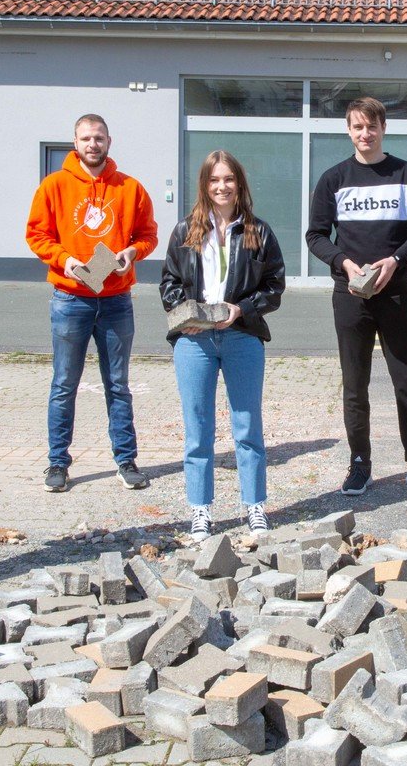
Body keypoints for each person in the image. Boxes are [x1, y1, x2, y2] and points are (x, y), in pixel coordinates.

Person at [306, 96, 407, 496]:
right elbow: (316, 235)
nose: (365, 134)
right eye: (357, 127)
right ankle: (359, 464)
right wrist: (343, 263)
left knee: (405, 380)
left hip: (396, 294)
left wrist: (396, 261)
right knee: (355, 385)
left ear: (383, 128)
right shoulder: (334, 179)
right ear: (348, 131)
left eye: (371, 126)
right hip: (351, 296)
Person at [26, 113, 158, 494]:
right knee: (64, 384)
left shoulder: (130, 188)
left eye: (98, 138)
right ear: (75, 142)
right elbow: (37, 234)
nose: (92, 144)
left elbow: (148, 234)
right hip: (70, 298)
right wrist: (66, 260)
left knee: (118, 384)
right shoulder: (54, 186)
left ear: (109, 141)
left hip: (116, 300)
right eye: (86, 138)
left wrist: (132, 252)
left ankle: (126, 460)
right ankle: (57, 463)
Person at [161, 151, 286, 540]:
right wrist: (188, 315)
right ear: (204, 184)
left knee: (247, 425)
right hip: (195, 341)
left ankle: (254, 506)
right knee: (197, 428)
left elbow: (274, 287)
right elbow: (168, 282)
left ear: (239, 184)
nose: (222, 186)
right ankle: (200, 510)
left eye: (229, 179)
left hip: (241, 337)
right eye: (214, 180)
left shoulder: (258, 232)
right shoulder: (185, 230)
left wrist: (241, 309)